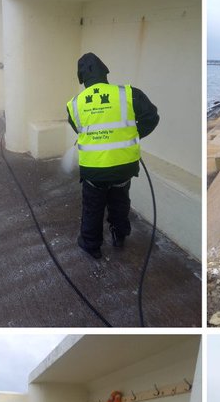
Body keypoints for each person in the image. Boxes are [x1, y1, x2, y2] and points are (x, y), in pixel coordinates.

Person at [66, 53, 159, 258]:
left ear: (81, 78)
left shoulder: (74, 104)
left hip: (94, 170)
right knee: (120, 201)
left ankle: (91, 245)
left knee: (93, 207)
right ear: (105, 72)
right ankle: (119, 235)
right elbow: (152, 116)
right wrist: (133, 134)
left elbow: (78, 129)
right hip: (123, 166)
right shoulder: (128, 94)